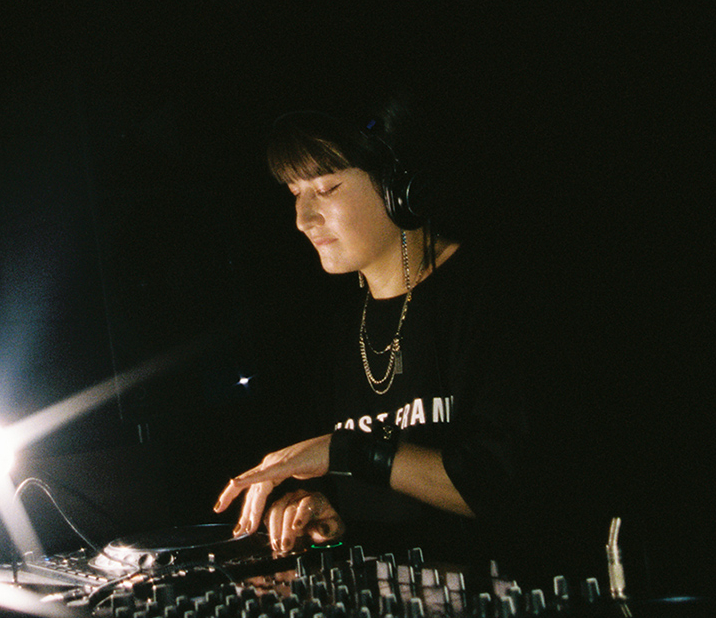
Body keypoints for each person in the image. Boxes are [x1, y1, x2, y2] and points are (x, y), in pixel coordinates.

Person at [213, 103, 531, 566]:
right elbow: (374, 506)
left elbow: (503, 485)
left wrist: (346, 452)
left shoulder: (495, 294)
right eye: (295, 193)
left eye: (326, 188)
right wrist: (321, 514)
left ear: (400, 187)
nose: (304, 218)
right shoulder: (336, 332)